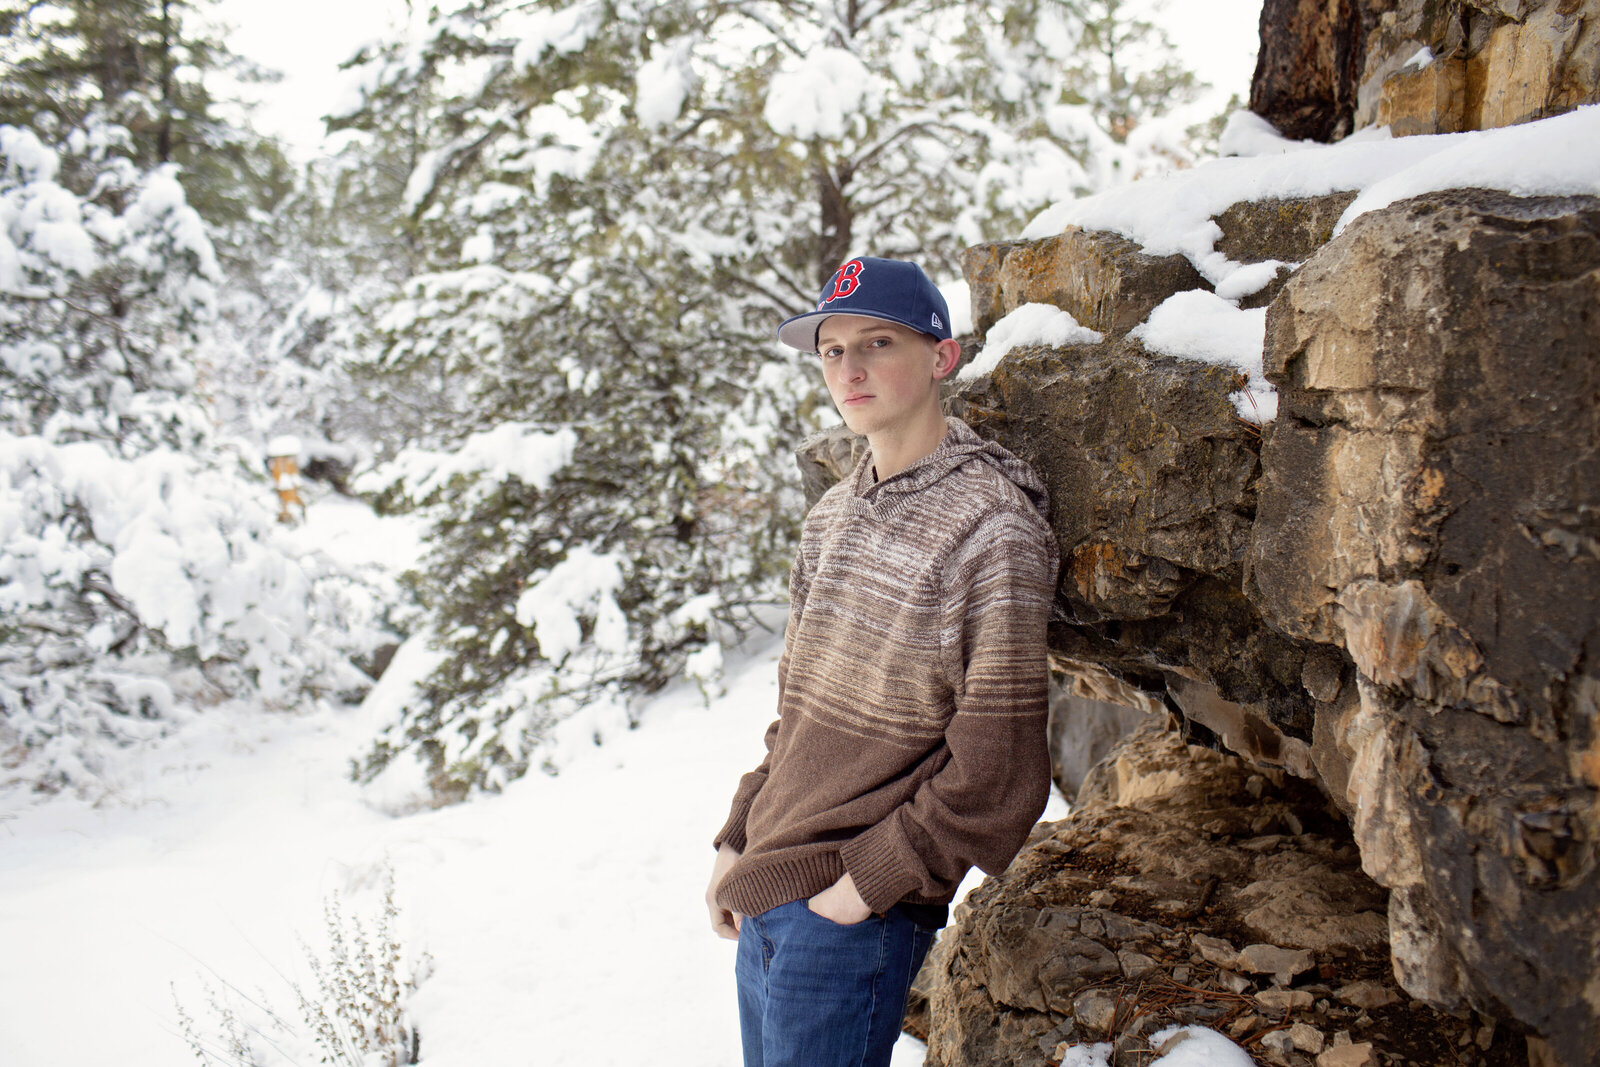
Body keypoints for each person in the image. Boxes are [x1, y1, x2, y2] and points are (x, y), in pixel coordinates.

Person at [705, 256, 1060, 1067]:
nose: (850, 369)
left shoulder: (990, 531)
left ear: (943, 356)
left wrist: (864, 886)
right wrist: (738, 832)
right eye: (832, 350)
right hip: (767, 885)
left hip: (849, 913)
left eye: (877, 342)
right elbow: (798, 705)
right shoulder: (833, 515)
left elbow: (998, 767)